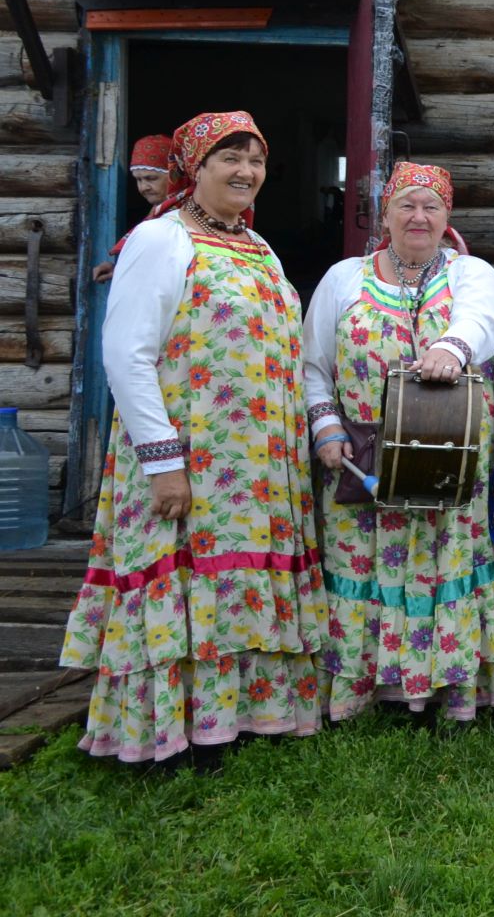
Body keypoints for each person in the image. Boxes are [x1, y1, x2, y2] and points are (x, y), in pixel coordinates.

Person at [61, 112, 324, 766]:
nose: (245, 172)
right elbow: (126, 355)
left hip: (257, 469)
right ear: (194, 170)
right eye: (228, 159)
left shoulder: (258, 248)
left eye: (255, 160)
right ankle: (170, 736)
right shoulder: (161, 241)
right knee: (187, 586)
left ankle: (234, 720)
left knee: (235, 591)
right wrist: (161, 461)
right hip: (190, 461)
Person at [300, 162, 494, 722]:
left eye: (432, 207)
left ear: (448, 217)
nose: (419, 217)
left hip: (448, 460)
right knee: (366, 568)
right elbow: (312, 366)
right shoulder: (344, 278)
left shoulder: (470, 274)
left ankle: (448, 692)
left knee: (444, 567)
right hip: (364, 461)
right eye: (407, 205)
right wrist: (325, 427)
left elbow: (484, 318)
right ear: (385, 213)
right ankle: (371, 692)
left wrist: (452, 346)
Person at [92, 133, 178, 282]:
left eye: (151, 178)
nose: (143, 187)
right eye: (138, 180)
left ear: (174, 175)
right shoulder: (157, 211)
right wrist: (119, 270)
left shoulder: (188, 214)